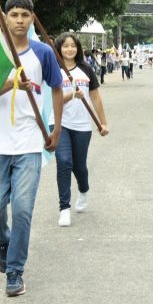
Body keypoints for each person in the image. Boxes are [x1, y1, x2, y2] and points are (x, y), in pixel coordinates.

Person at [0, 0, 63, 297]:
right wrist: (13, 83)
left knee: (24, 210)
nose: (19, 20)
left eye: (24, 15)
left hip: (30, 142)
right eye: (14, 14)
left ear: (32, 19)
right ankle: (2, 239)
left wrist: (56, 127)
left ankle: (15, 272)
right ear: (5, 18)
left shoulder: (43, 53)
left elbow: (57, 88)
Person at [53, 33, 109, 227]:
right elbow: (51, 100)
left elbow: (95, 97)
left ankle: (83, 190)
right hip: (60, 123)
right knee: (64, 162)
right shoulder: (54, 70)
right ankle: (64, 208)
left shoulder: (86, 69)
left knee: (79, 166)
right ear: (59, 49)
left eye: (73, 46)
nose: (70, 49)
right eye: (65, 46)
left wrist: (103, 123)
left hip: (82, 126)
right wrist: (71, 95)